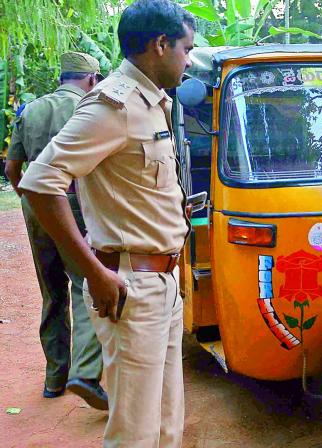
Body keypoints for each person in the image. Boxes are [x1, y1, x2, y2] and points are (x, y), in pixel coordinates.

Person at [17, 0, 195, 445]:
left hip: (164, 283)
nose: (187, 60)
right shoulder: (113, 105)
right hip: (130, 288)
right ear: (160, 44)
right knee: (135, 432)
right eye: (186, 49)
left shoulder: (153, 103)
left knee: (166, 425)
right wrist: (94, 273)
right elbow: (39, 183)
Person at [5, 52, 108, 409]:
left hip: (35, 205)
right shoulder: (91, 109)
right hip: (75, 200)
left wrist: (28, 197)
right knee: (85, 283)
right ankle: (85, 371)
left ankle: (55, 378)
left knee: (51, 289)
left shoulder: (30, 110)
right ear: (92, 79)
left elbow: (12, 169)